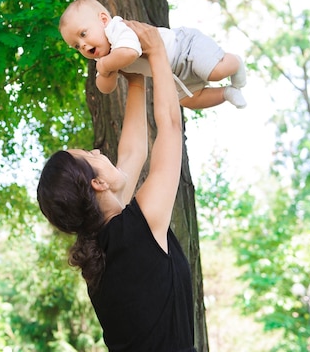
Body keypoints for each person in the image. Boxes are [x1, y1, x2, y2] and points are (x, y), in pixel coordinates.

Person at [37, 20, 196, 351]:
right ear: (96, 183)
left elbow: (134, 152)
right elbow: (169, 126)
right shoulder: (138, 228)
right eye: (91, 155)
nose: (98, 151)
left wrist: (134, 77)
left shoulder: (107, 243)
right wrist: (155, 52)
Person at [59, 0, 247, 110]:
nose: (83, 45)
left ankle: (235, 62)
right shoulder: (105, 56)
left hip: (184, 47)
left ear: (103, 20)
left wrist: (107, 65)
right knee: (189, 100)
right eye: (76, 45)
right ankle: (226, 93)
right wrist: (105, 70)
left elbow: (130, 52)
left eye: (83, 34)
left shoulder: (116, 29)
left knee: (216, 72)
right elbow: (106, 88)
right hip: (174, 73)